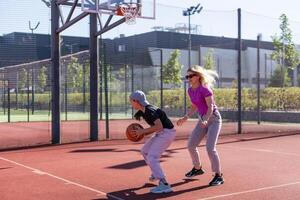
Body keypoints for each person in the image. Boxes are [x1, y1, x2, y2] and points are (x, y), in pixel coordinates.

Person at [177, 65, 224, 186]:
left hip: (213, 119)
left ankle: (218, 176)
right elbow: (195, 105)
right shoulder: (190, 90)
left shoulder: (205, 89)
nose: (188, 78)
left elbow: (211, 107)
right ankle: (197, 168)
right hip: (203, 119)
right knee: (191, 145)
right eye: (187, 76)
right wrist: (185, 117)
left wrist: (206, 120)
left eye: (191, 76)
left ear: (197, 76)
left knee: (210, 148)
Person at [129, 90, 176, 193]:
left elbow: (159, 126)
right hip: (161, 133)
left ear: (136, 101)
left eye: (131, 101)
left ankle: (164, 184)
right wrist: (143, 132)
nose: (130, 103)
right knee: (144, 151)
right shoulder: (144, 110)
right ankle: (155, 173)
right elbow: (157, 127)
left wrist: (142, 131)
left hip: (167, 133)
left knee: (152, 157)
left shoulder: (149, 111)